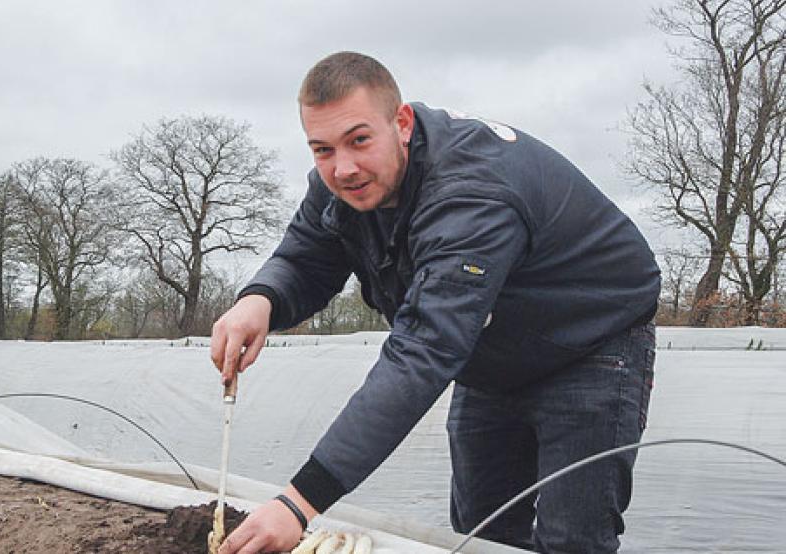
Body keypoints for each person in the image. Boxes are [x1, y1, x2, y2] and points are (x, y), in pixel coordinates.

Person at [210, 51, 660, 554]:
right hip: (493, 351)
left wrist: (298, 504)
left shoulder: (471, 195)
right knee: (482, 531)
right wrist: (260, 299)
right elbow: (304, 257)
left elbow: (424, 350)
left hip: (590, 346)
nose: (343, 167)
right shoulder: (342, 183)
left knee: (571, 539)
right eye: (321, 149)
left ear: (400, 123)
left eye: (359, 140)